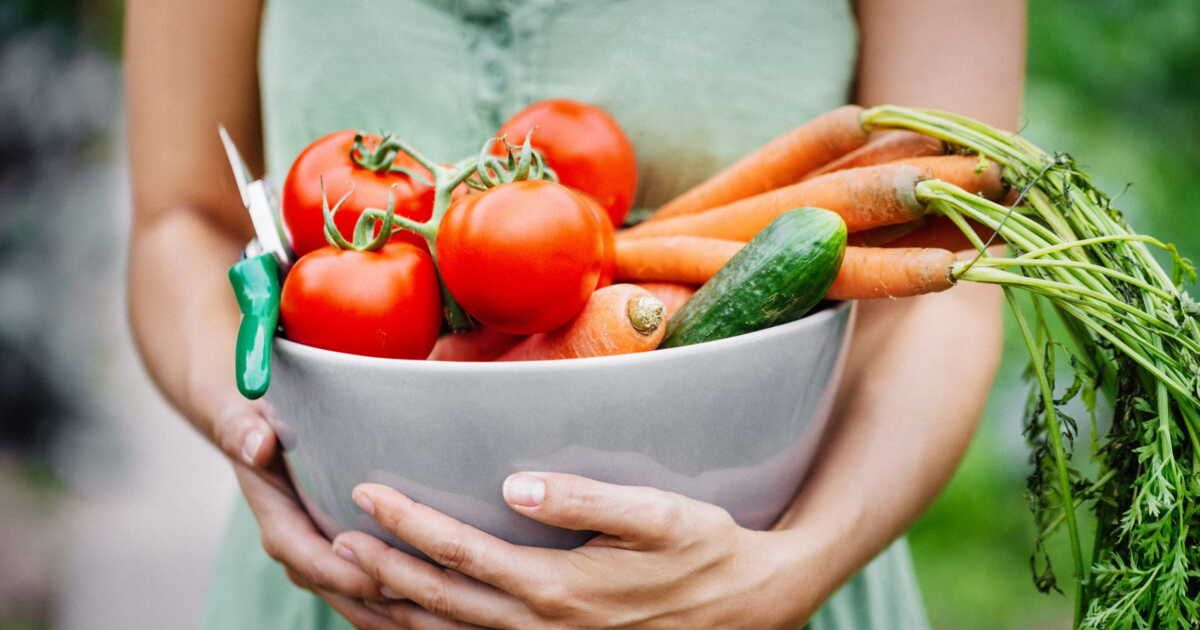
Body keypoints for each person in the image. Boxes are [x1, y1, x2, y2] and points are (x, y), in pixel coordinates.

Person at [125, 1, 1024, 627]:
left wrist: (794, 571)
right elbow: (179, 223)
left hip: (757, 584)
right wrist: (250, 430)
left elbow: (951, 279)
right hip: (355, 577)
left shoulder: (779, 581)